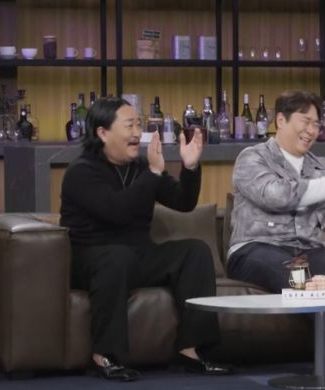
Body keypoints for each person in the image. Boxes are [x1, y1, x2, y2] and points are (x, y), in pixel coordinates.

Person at [60, 97, 233, 381]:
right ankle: (105, 355)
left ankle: (192, 350)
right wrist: (153, 173)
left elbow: (183, 202)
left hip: (137, 255)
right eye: (129, 126)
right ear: (103, 132)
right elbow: (116, 212)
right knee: (116, 257)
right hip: (91, 257)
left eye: (138, 125)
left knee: (195, 251)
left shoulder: (141, 167)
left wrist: (190, 168)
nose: (137, 133)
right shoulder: (81, 171)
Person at [226, 90, 325, 375]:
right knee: (297, 273)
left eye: (316, 124)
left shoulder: (320, 165)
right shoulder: (252, 158)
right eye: (305, 121)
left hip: (309, 249)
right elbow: (275, 196)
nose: (312, 130)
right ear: (281, 120)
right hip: (255, 248)